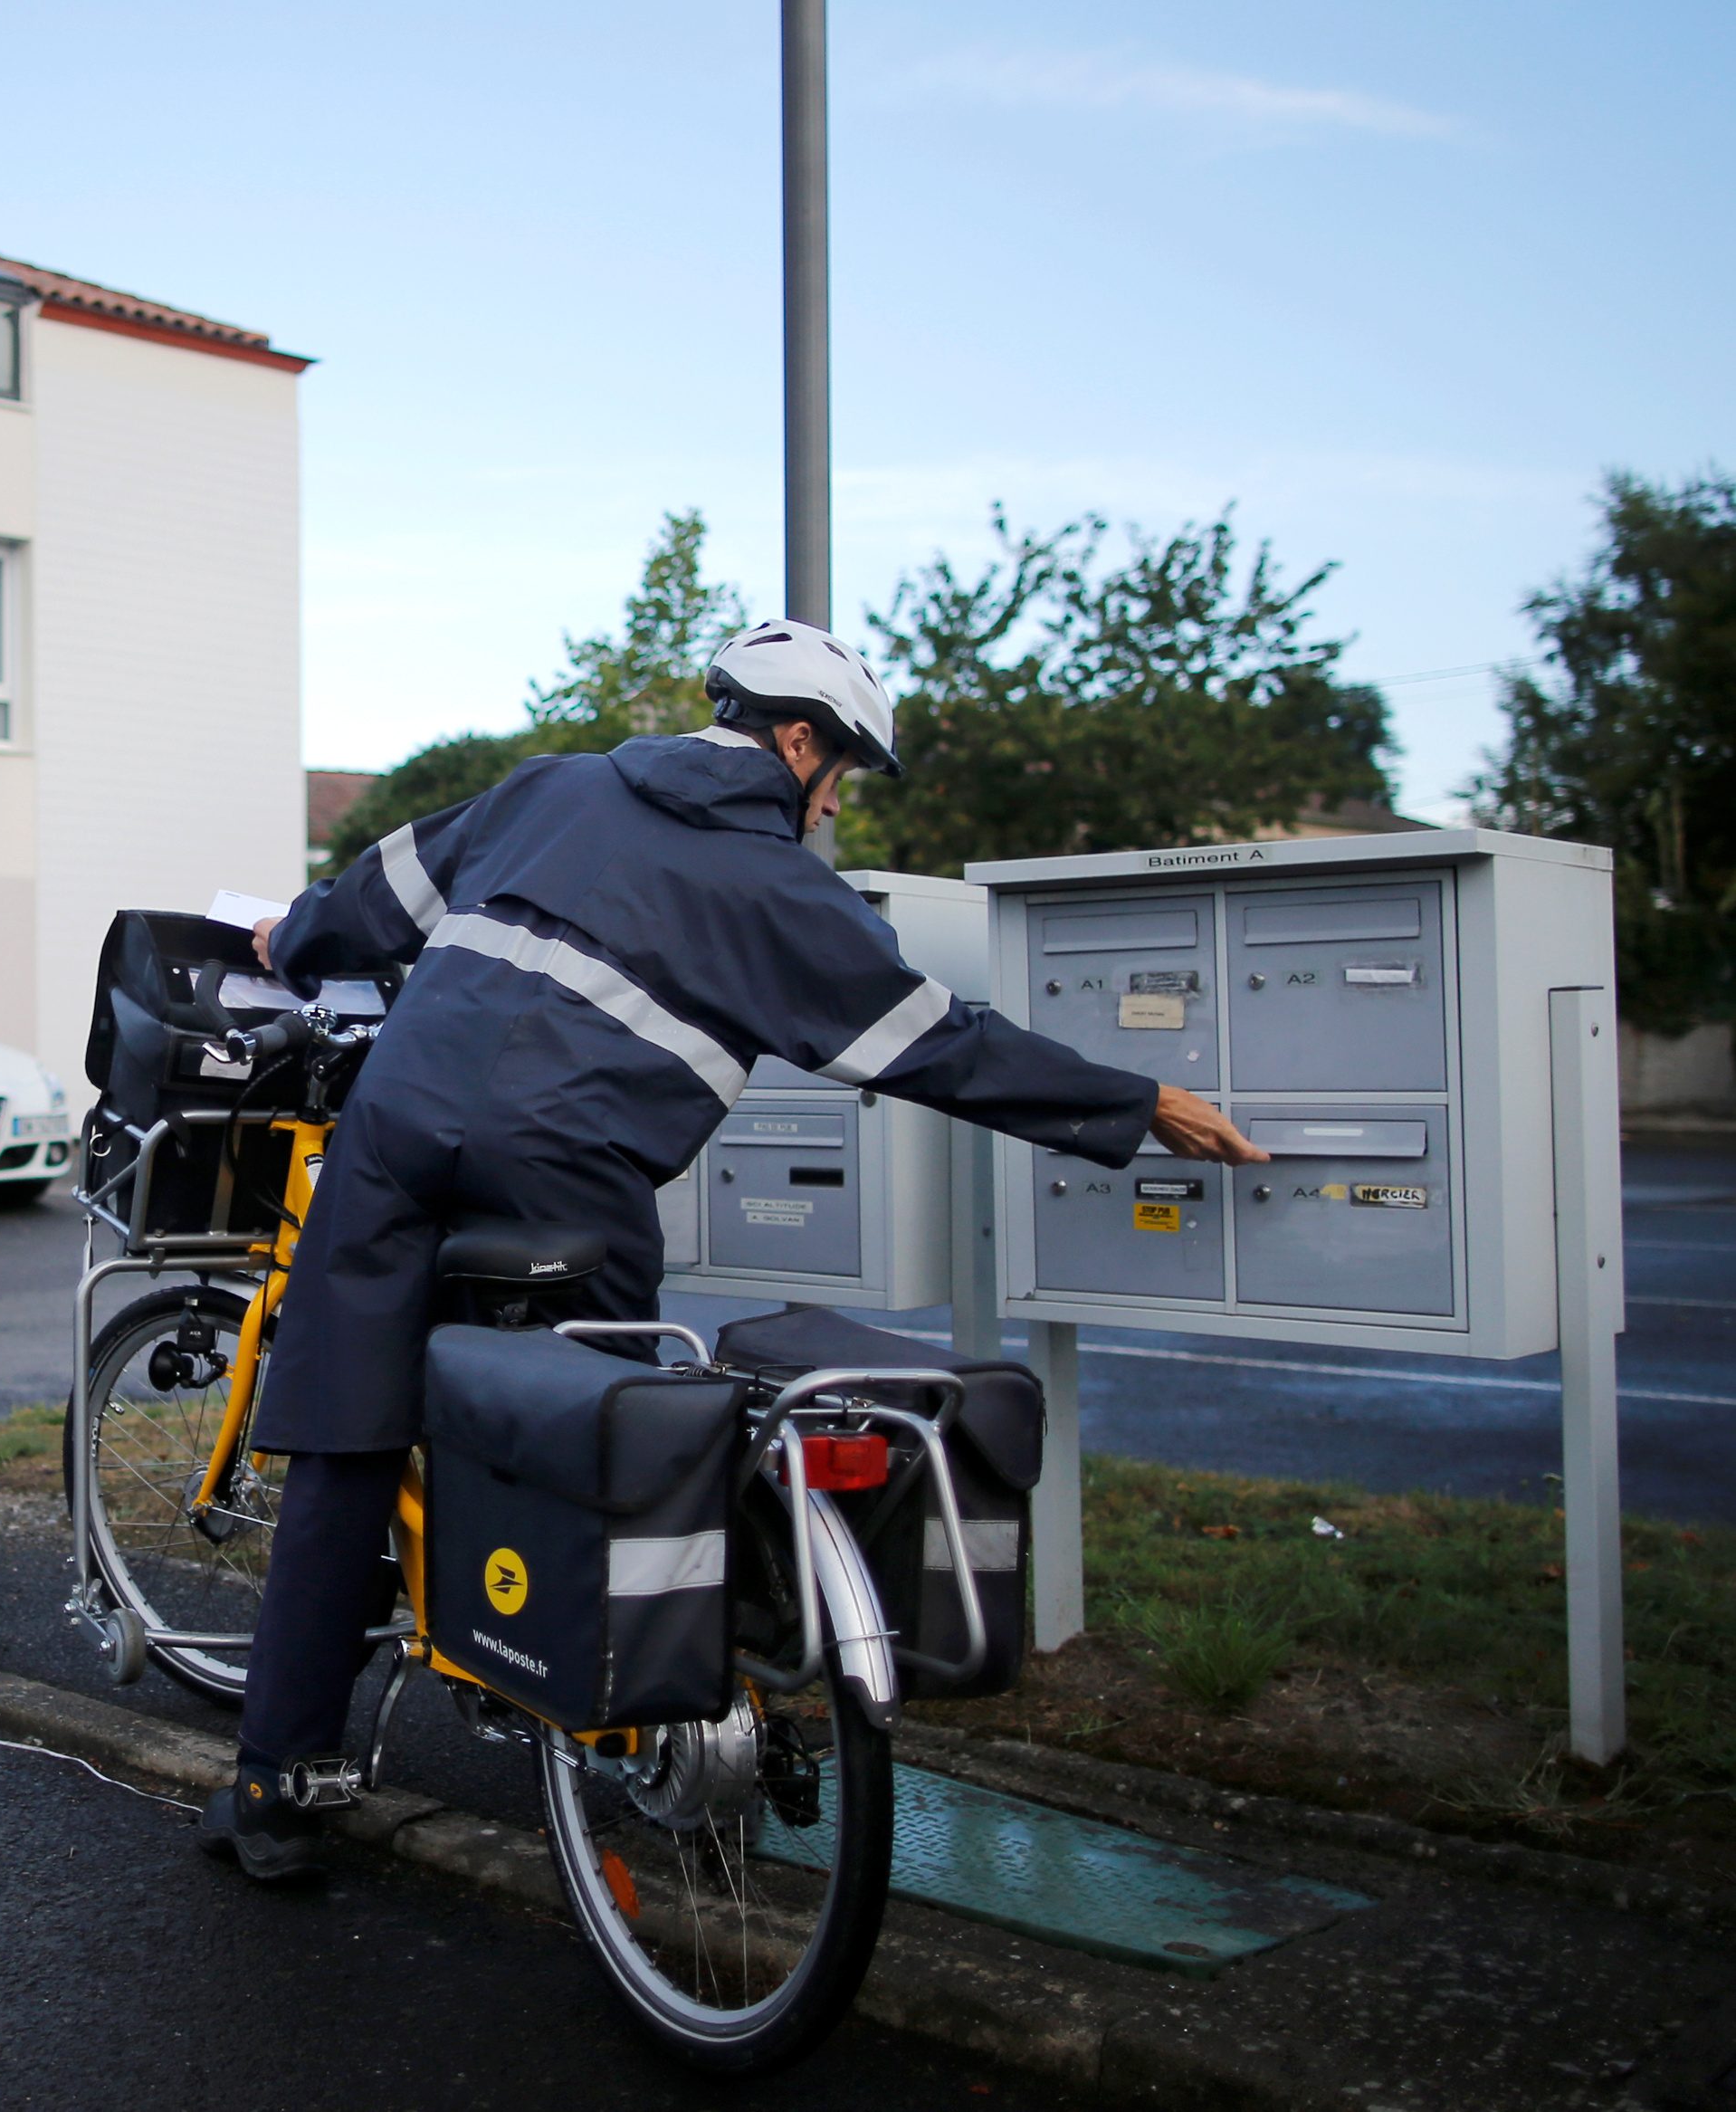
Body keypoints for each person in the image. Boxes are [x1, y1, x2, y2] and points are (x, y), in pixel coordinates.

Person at [196, 617, 1267, 1879]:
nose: (832, 808)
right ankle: (636, 1725)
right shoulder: (779, 889)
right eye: (842, 776)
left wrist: (294, 936)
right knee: (611, 1449)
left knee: (345, 1448)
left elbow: (378, 894)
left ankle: (277, 1791)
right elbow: (945, 1045)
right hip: (567, 1179)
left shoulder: (559, 782)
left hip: (393, 1138)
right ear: (799, 742)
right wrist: (1137, 1105)